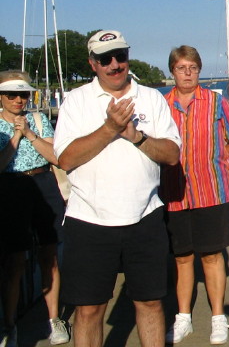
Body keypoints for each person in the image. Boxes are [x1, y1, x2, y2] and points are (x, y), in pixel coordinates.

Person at [54, 30, 181, 347]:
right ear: (92, 64)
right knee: (89, 310)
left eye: (120, 56)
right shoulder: (76, 101)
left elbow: (171, 154)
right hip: (89, 220)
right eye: (105, 59)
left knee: (150, 303)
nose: (114, 64)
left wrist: (137, 136)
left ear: (127, 56)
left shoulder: (151, 98)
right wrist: (110, 128)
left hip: (145, 218)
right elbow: (66, 159)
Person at [160, 46, 229, 345]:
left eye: (193, 68)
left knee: (211, 255)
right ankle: (183, 317)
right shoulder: (161, 105)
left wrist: (217, 158)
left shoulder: (216, 102)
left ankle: (218, 318)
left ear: (199, 70)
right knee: (182, 258)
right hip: (174, 194)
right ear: (172, 71)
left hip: (212, 192)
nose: (187, 73)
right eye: (181, 68)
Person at [0, 71, 69, 347]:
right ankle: (10, 325)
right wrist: (16, 136)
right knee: (15, 260)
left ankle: (54, 319)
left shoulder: (39, 120)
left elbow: (55, 157)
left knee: (49, 255)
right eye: (12, 95)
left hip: (43, 183)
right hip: (11, 187)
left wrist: (29, 132)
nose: (19, 100)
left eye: (24, 94)